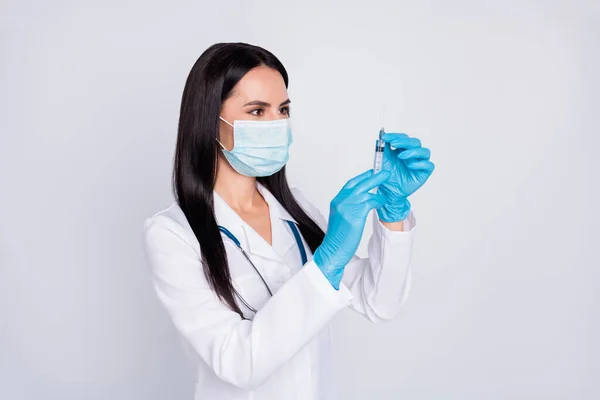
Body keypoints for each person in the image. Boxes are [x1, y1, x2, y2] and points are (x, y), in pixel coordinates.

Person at [142, 42, 435, 400]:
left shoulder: (296, 208)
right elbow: (238, 363)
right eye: (257, 111)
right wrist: (327, 261)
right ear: (209, 121)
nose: (276, 124)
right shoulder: (173, 234)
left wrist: (393, 213)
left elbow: (379, 302)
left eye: (283, 109)